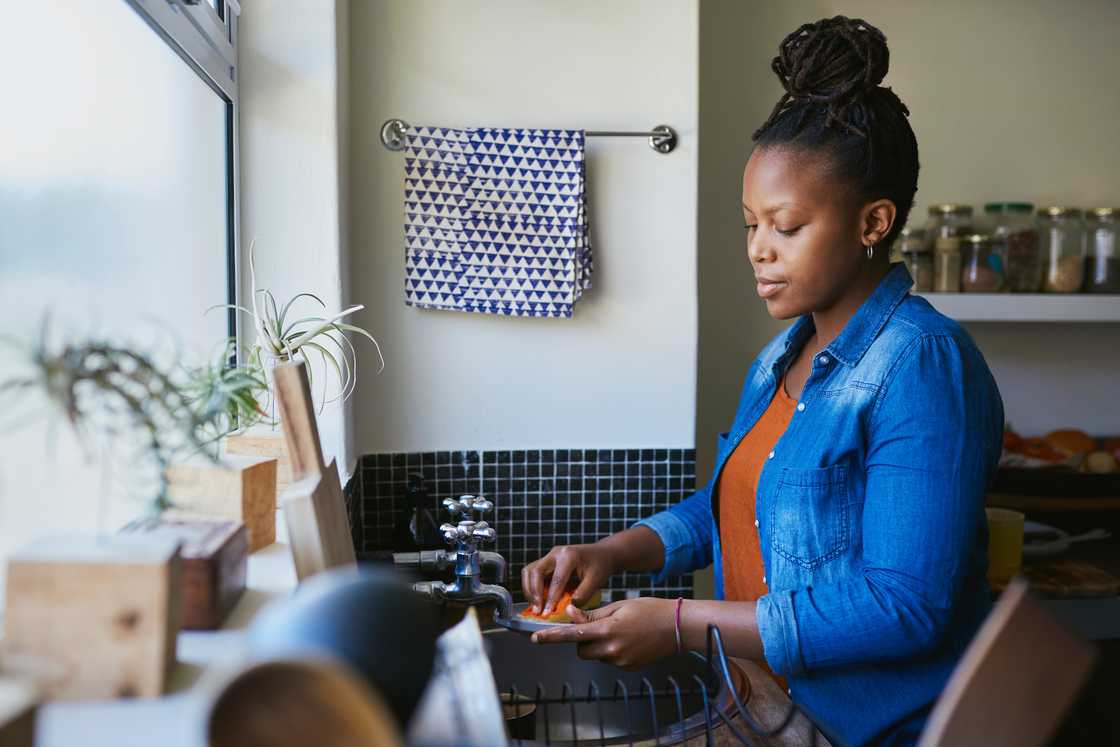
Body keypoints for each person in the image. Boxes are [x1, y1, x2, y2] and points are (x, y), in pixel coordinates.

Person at [523, 15, 1005, 747]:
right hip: (757, 703)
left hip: (862, 730)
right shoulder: (782, 355)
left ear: (872, 222)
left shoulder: (922, 364)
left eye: (785, 226)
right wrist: (613, 553)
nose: (759, 251)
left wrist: (681, 623)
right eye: (750, 224)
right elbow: (737, 511)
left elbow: (905, 604)